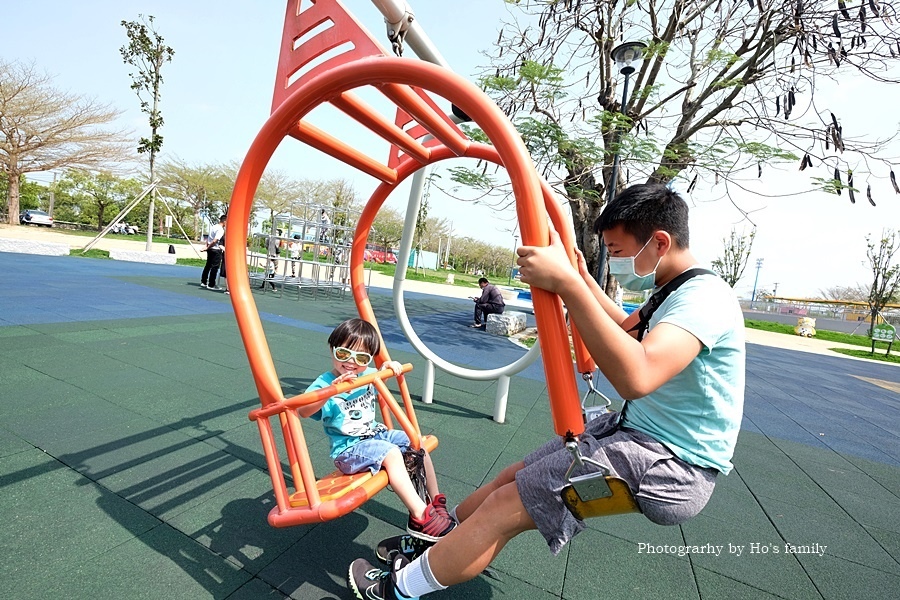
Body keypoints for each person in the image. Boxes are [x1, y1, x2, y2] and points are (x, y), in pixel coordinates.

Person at [347, 183, 745, 600]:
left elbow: (637, 376)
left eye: (621, 252)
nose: (619, 262)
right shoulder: (674, 289)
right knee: (511, 478)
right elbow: (625, 329)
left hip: (670, 467)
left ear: (659, 241)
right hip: (639, 433)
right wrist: (580, 277)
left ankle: (397, 590)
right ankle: (437, 544)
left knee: (506, 510)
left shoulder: (704, 299)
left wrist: (569, 287)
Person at [302, 318, 456, 545]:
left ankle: (435, 501)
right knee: (392, 453)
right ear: (332, 348)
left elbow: (379, 370)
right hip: (349, 450)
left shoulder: (367, 374)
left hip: (374, 436)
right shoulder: (324, 382)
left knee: (415, 440)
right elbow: (304, 411)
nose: (352, 363)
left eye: (361, 358)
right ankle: (420, 516)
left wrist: (386, 368)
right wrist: (330, 391)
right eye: (344, 354)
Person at [200, 214, 226, 290]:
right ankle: (211, 284)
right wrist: (208, 247)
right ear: (224, 221)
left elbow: (209, 238)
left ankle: (203, 281)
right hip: (216, 249)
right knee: (215, 267)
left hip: (210, 249)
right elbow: (215, 240)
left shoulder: (213, 226)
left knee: (208, 265)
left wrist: (207, 247)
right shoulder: (220, 230)